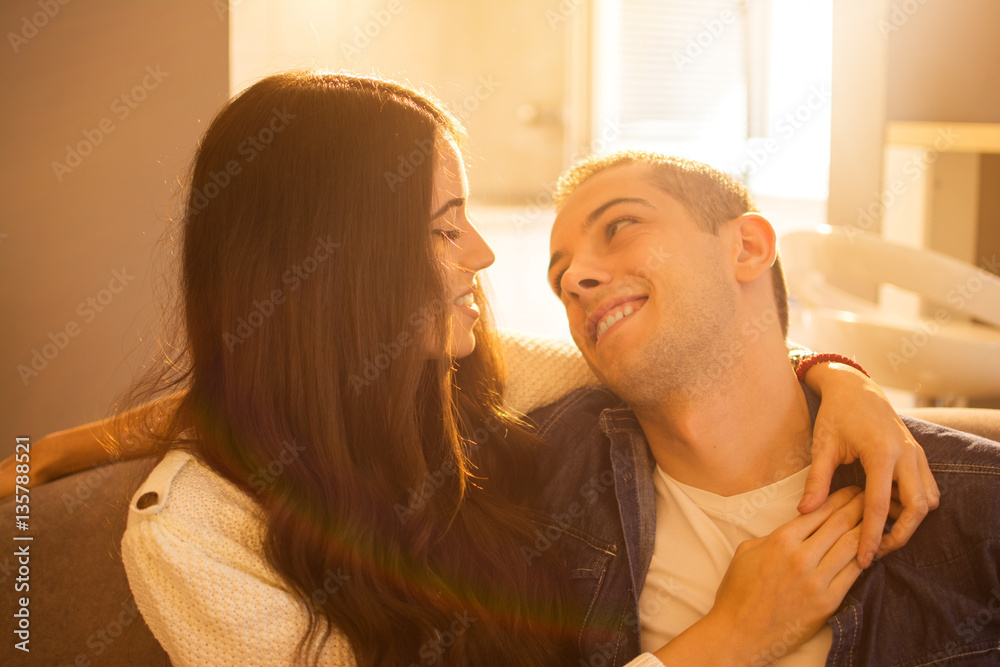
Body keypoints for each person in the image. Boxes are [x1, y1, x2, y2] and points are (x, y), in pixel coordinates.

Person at [0, 71, 940, 666]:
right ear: (337, 267)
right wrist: (731, 641)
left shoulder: (474, 387)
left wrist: (834, 378)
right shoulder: (194, 543)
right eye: (446, 227)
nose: (486, 255)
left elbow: (680, 362)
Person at [538, 150, 1000, 665]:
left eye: (620, 226)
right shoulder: (531, 487)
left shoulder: (980, 510)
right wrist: (735, 636)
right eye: (560, 278)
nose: (575, 278)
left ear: (748, 248)